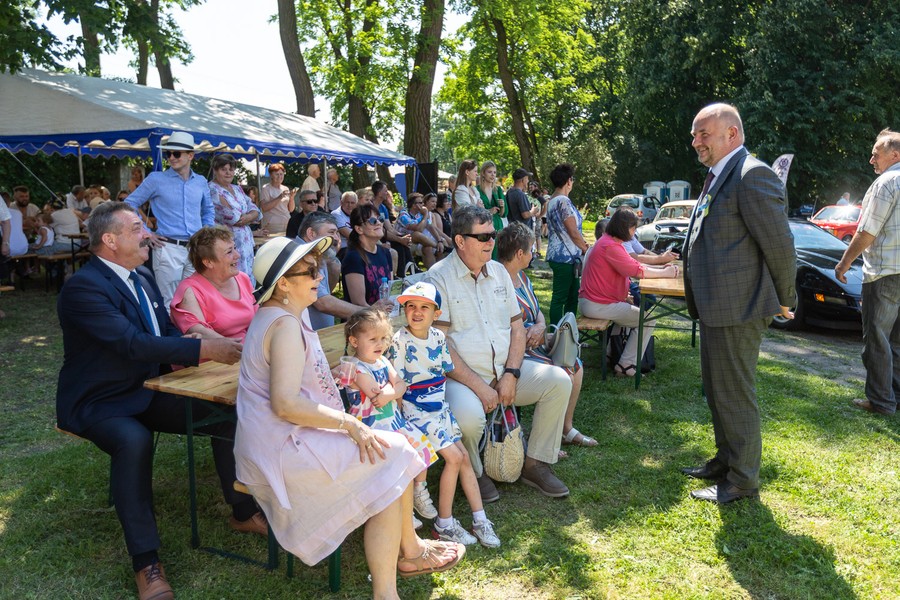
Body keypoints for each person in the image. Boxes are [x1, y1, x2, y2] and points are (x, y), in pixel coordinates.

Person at [234, 237, 465, 599]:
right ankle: (397, 575)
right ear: (282, 284)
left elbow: (292, 383)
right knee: (393, 455)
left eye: (319, 266)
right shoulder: (284, 325)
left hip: (281, 440)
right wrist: (352, 424)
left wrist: (329, 370)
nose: (319, 275)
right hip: (283, 450)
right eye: (309, 271)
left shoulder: (279, 317)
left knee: (396, 450)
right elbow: (285, 404)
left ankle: (410, 549)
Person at [54, 202, 256, 600]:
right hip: (101, 401)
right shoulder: (83, 287)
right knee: (134, 442)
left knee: (226, 415)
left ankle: (243, 511)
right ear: (109, 240)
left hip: (148, 390)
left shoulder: (142, 276)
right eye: (136, 228)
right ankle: (146, 562)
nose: (147, 233)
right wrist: (208, 351)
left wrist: (194, 340)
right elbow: (131, 344)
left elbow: (163, 330)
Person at [682, 103, 796, 504]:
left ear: (732, 134)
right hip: (718, 305)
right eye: (695, 135)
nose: (695, 142)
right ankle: (726, 461)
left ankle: (743, 479)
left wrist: (787, 298)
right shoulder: (721, 174)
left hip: (739, 306)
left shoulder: (752, 174)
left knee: (734, 393)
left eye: (703, 134)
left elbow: (780, 245)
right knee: (717, 390)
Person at [425, 204, 572, 503]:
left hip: (505, 370)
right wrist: (479, 386)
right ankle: (474, 471)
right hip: (462, 378)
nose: (491, 241)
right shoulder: (438, 278)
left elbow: (517, 328)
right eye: (483, 237)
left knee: (558, 381)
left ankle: (535, 463)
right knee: (468, 418)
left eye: (492, 234)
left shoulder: (499, 273)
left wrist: (511, 373)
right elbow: (441, 344)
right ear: (460, 241)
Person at [387, 283, 501, 548]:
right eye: (410, 306)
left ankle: (480, 518)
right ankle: (445, 524)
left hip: (440, 410)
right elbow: (397, 383)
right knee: (454, 457)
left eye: (424, 307)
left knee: (464, 461)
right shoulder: (400, 341)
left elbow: (442, 372)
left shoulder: (439, 338)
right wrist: (404, 418)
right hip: (417, 413)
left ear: (436, 313)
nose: (416, 312)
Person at [497, 223, 595, 451]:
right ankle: (547, 437)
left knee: (575, 364)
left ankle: (565, 429)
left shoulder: (523, 278)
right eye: (531, 249)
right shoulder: (498, 282)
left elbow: (538, 311)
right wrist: (534, 332)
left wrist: (540, 325)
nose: (534, 254)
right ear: (519, 254)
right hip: (517, 350)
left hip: (536, 341)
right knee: (564, 372)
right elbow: (506, 327)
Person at [343, 308, 439, 531]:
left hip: (394, 423)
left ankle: (419, 490)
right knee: (396, 458)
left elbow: (402, 385)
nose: (380, 344)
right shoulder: (356, 368)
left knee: (421, 444)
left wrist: (391, 392)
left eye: (383, 339)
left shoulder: (383, 362)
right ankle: (401, 509)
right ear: (354, 341)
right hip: (371, 427)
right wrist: (391, 390)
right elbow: (376, 394)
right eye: (373, 339)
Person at [835, 128, 900, 416]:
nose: (871, 158)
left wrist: (844, 263)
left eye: (876, 153)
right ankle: (893, 398)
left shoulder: (887, 183)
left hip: (885, 274)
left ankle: (881, 402)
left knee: (876, 341)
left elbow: (867, 232)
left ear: (894, 154)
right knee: (896, 343)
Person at [579, 209, 678, 376]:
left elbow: (633, 266)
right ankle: (626, 366)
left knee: (627, 316)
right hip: (597, 305)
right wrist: (665, 272)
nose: (633, 234)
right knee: (647, 320)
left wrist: (661, 268)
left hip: (595, 302)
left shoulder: (608, 242)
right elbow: (636, 270)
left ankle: (612, 355)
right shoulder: (611, 246)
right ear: (624, 228)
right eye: (633, 229)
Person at [126, 131, 215, 310]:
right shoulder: (156, 179)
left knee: (196, 298)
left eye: (176, 153)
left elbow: (208, 210)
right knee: (168, 301)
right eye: (168, 153)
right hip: (168, 248)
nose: (171, 158)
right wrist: (146, 233)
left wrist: (206, 233)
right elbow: (129, 204)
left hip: (196, 247)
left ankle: (192, 336)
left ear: (190, 156)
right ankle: (170, 337)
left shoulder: (200, 181)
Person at [298, 212, 391, 330]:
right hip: (303, 340)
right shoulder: (301, 258)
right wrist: (371, 312)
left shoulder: (318, 255)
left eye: (337, 233)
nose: (337, 239)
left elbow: (324, 295)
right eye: (331, 233)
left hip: (318, 337)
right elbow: (323, 303)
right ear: (311, 233)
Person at [170, 226, 257, 343]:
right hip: (211, 357)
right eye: (229, 252)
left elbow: (258, 317)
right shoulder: (190, 290)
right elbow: (198, 332)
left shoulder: (242, 278)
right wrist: (239, 349)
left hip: (246, 351)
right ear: (208, 262)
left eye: (235, 248)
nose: (238, 255)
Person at [545, 163, 590, 323]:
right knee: (561, 298)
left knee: (571, 296)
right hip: (564, 258)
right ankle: (557, 337)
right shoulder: (563, 201)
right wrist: (585, 248)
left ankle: (567, 335)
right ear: (569, 181)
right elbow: (572, 231)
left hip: (562, 256)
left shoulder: (552, 200)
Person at [208, 154, 260, 284]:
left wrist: (248, 216)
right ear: (215, 170)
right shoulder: (212, 190)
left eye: (230, 169)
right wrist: (250, 216)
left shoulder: (237, 188)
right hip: (228, 245)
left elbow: (256, 210)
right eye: (223, 169)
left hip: (246, 245)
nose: (228, 173)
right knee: (233, 282)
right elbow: (233, 218)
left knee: (248, 282)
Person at [341, 204, 394, 306]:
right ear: (359, 229)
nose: (379, 223)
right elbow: (359, 304)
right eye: (373, 221)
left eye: (380, 219)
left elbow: (390, 292)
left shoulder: (386, 253)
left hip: (385, 316)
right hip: (363, 318)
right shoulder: (353, 257)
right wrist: (377, 312)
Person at [373, 180, 413, 276]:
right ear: (379, 193)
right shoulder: (370, 207)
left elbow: (389, 228)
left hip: (383, 234)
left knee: (403, 243)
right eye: (385, 191)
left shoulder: (383, 207)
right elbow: (381, 230)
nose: (387, 193)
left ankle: (407, 270)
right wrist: (400, 239)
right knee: (399, 244)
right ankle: (401, 275)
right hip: (375, 236)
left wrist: (402, 236)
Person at [396, 193, 442, 268]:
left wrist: (439, 241)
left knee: (428, 247)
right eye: (420, 203)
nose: (423, 204)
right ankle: (437, 246)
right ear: (414, 205)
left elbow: (430, 227)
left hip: (414, 242)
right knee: (416, 234)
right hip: (401, 241)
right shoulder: (404, 215)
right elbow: (418, 229)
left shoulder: (419, 214)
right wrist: (425, 215)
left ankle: (433, 272)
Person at [259, 163, 295, 233]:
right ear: (271, 175)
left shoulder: (285, 188)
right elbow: (264, 208)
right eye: (277, 174)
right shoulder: (266, 188)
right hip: (272, 225)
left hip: (286, 223)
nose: (279, 176)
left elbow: (291, 210)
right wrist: (279, 197)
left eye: (281, 174)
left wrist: (292, 198)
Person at [476, 160, 507, 235]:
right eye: (489, 172)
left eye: (494, 172)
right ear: (483, 173)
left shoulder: (498, 190)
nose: (493, 175)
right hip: (483, 228)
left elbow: (503, 214)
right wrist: (489, 211)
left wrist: (502, 207)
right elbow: (474, 213)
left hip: (498, 227)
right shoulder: (476, 190)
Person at [330, 190, 358, 258]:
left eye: (352, 203)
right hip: (342, 250)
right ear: (341, 203)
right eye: (347, 202)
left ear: (356, 204)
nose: (350, 205)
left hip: (356, 248)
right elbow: (350, 235)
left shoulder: (358, 214)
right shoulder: (336, 214)